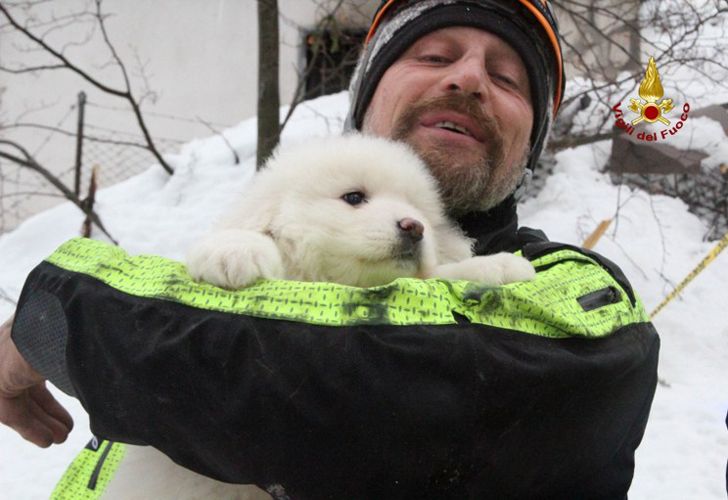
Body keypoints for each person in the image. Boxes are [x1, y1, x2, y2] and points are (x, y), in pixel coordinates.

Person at [0, 0, 659, 498]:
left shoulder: (571, 292)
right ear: (366, 98)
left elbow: (365, 379)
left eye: (508, 77)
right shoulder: (271, 215)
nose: (467, 80)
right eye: (434, 56)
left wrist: (59, 317)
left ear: (531, 142)